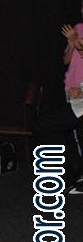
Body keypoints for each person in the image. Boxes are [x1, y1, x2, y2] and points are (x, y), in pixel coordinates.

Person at [32, 13, 83, 194]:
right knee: (60, 130)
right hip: (75, 95)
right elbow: (66, 59)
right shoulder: (78, 28)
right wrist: (72, 43)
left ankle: (75, 172)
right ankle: (75, 172)